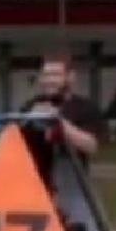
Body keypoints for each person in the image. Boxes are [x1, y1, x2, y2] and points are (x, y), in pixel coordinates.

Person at [21, 54, 103, 188]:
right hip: (35, 186)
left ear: (70, 77)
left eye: (55, 75)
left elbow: (91, 146)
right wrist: (29, 119)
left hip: (73, 185)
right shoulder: (31, 106)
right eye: (45, 75)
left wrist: (58, 122)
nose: (49, 80)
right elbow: (16, 140)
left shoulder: (86, 107)